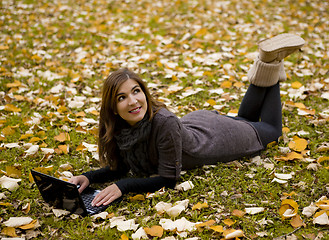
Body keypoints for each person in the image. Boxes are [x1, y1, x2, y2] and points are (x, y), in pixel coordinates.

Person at [69, 33, 305, 207]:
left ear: (144, 92)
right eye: (122, 97)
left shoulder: (163, 122)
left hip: (218, 138)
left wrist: (123, 186)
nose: (133, 101)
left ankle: (270, 61)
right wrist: (88, 178)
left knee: (272, 131)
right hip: (198, 126)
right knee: (244, 118)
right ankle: (267, 60)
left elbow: (169, 178)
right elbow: (121, 167)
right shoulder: (123, 128)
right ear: (113, 108)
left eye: (136, 91)